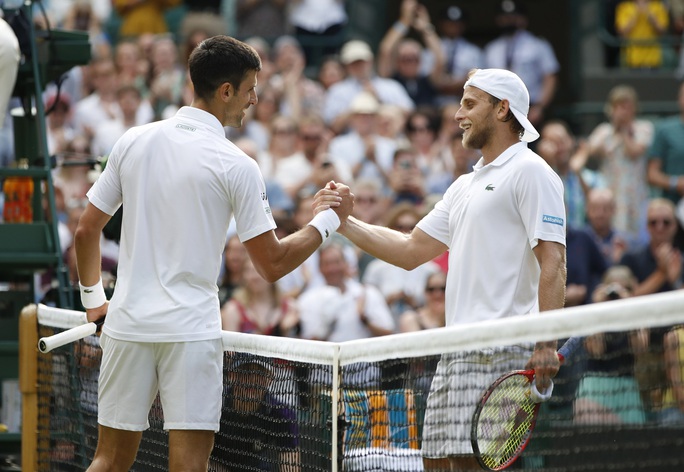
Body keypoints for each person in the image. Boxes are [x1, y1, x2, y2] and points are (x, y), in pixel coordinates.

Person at [74, 35, 353, 471]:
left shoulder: (133, 141)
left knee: (107, 461)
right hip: (190, 331)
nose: (254, 99)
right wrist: (327, 222)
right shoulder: (236, 164)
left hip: (126, 324)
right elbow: (272, 263)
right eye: (250, 89)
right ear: (226, 91)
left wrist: (94, 302)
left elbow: (86, 229)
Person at [319, 68, 566, 471]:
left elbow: (553, 262)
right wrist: (345, 223)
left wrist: (545, 343)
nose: (457, 114)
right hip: (455, 351)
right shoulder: (463, 185)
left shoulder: (532, 172)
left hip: (498, 349)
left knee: (469, 466)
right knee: (434, 463)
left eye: (469, 103)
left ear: (503, 110)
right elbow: (410, 249)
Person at [573, 265, 646, 425]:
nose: (616, 294)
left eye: (623, 288)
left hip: (626, 389)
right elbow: (596, 350)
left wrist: (629, 306)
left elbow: (640, 349)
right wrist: (598, 308)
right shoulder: (592, 316)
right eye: (611, 288)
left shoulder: (639, 317)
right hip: (596, 387)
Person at [587, 84, 653, 243]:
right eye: (618, 107)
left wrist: (624, 131)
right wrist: (614, 131)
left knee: (637, 238)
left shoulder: (643, 128)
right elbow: (591, 151)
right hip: (610, 195)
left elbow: (634, 151)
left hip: (635, 196)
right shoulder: (604, 131)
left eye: (627, 107)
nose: (623, 111)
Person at [212, 354, 300, 471]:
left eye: (260, 373)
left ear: (270, 379)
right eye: (246, 371)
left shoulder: (282, 414)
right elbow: (198, 456)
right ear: (232, 375)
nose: (253, 380)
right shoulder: (214, 406)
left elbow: (290, 465)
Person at [484, 0, 559, 126]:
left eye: (513, 17)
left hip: (530, 107)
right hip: (499, 107)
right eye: (505, 17)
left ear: (523, 19)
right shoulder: (491, 49)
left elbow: (550, 78)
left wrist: (540, 107)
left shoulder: (537, 45)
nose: (509, 21)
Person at [323, 39, 415, 134]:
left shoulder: (391, 86)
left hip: (389, 142)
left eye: (362, 62)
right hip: (350, 142)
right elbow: (333, 126)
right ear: (347, 66)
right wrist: (358, 107)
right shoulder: (337, 90)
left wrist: (379, 101)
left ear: (371, 61)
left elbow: (410, 115)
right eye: (354, 63)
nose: (359, 66)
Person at [615, 0, 670, 69]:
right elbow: (622, 33)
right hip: (632, 57)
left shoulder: (658, 7)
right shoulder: (625, 7)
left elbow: (662, 31)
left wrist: (652, 19)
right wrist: (636, 15)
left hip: (652, 57)